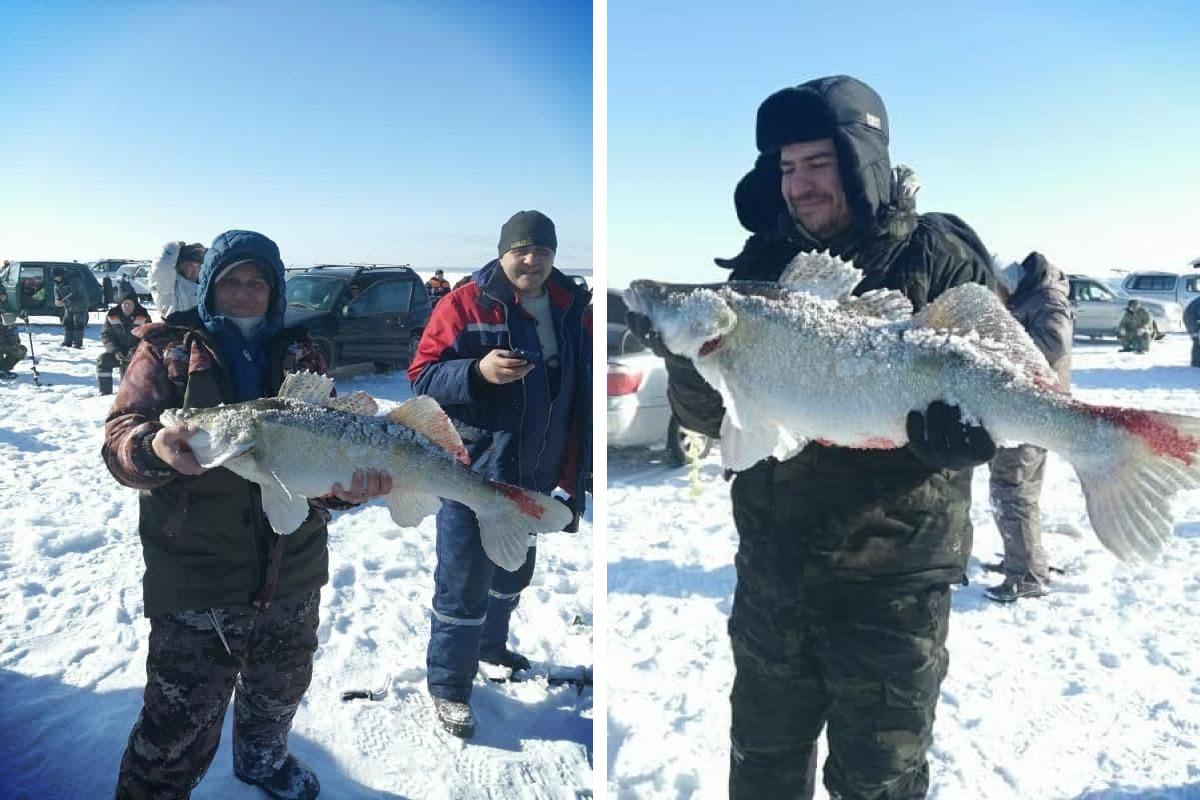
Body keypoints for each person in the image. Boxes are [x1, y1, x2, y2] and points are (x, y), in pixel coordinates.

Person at [629, 75, 995, 798]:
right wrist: (692, 361)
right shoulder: (760, 270)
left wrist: (968, 433)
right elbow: (711, 421)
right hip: (774, 575)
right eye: (787, 168)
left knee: (879, 780)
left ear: (865, 160)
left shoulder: (938, 255)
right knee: (762, 770)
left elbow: (1012, 370)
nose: (799, 186)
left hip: (892, 582)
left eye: (819, 163)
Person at [103, 230, 392, 800]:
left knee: (279, 689)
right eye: (230, 280)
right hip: (198, 572)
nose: (243, 293)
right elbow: (118, 439)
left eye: (255, 282)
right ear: (208, 284)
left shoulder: (302, 351)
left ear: (274, 289)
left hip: (293, 567)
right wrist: (154, 449)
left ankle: (263, 762)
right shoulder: (167, 350)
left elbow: (321, 465)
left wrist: (347, 491)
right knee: (179, 720)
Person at [407, 210, 592, 739]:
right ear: (503, 251)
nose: (531, 261)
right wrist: (477, 372)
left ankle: (490, 647)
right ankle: (448, 687)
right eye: (521, 250)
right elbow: (421, 374)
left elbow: (577, 391)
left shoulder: (571, 306)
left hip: (536, 475)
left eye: (543, 251)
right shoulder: (464, 303)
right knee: (464, 581)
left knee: (512, 574)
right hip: (476, 473)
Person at [984, 252, 1073, 603]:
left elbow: (1054, 343)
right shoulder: (1036, 296)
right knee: (1020, 491)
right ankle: (1023, 560)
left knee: (1012, 491)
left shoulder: (1047, 300)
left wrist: (999, 348)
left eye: (996, 291)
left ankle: (1026, 576)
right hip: (1027, 410)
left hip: (1028, 412)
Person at [95, 285, 151, 395]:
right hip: (117, 351)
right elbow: (106, 335)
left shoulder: (143, 316)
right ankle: (105, 392)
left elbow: (147, 337)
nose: (127, 306)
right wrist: (115, 351)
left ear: (135, 305)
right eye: (124, 303)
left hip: (137, 353)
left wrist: (135, 351)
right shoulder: (112, 315)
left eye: (130, 303)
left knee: (129, 368)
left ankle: (129, 393)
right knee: (102, 360)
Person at [148, 241, 207, 319]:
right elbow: (161, 267)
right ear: (179, 265)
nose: (194, 270)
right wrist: (173, 247)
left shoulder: (204, 286)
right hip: (174, 329)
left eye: (198, 266)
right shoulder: (170, 284)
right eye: (190, 265)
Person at [52, 266, 89, 348]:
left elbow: (75, 293)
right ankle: (67, 341)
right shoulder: (57, 282)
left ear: (61, 274)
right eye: (54, 278)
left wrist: (63, 301)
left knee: (78, 323)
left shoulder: (74, 279)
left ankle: (77, 343)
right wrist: (57, 300)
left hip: (80, 304)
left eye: (57, 277)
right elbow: (56, 291)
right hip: (68, 306)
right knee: (67, 322)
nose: (56, 279)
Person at [0, 287, 28, 377]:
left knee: (19, 349)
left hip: (4, 341)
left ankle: (3, 368)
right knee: (18, 350)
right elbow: (9, 329)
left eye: (4, 295)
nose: (3, 297)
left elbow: (14, 313)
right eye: (1, 295)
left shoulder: (6, 306)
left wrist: (21, 313)